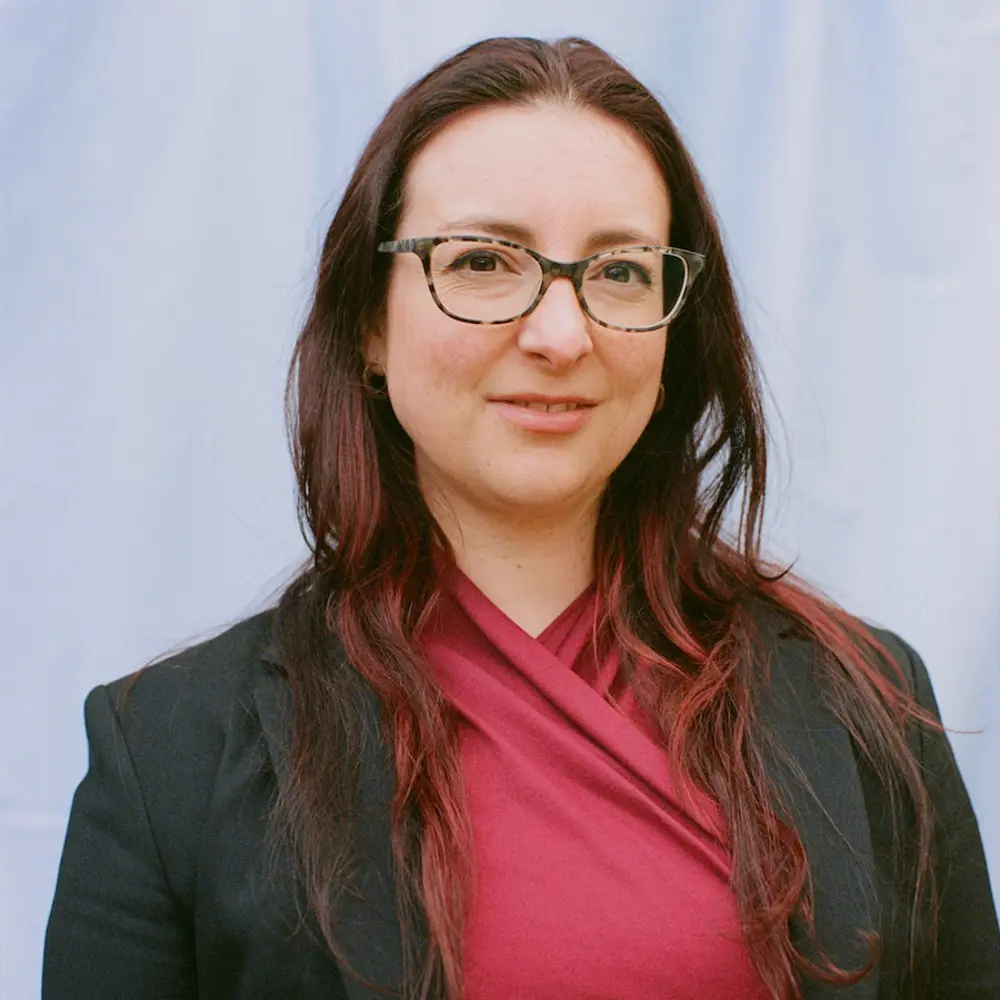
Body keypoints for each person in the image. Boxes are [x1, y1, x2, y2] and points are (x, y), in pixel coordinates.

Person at [42, 35, 999, 1000]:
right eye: (484, 262)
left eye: (621, 271)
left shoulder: (866, 703)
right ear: (369, 323)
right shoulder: (168, 751)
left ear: (673, 337)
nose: (559, 334)